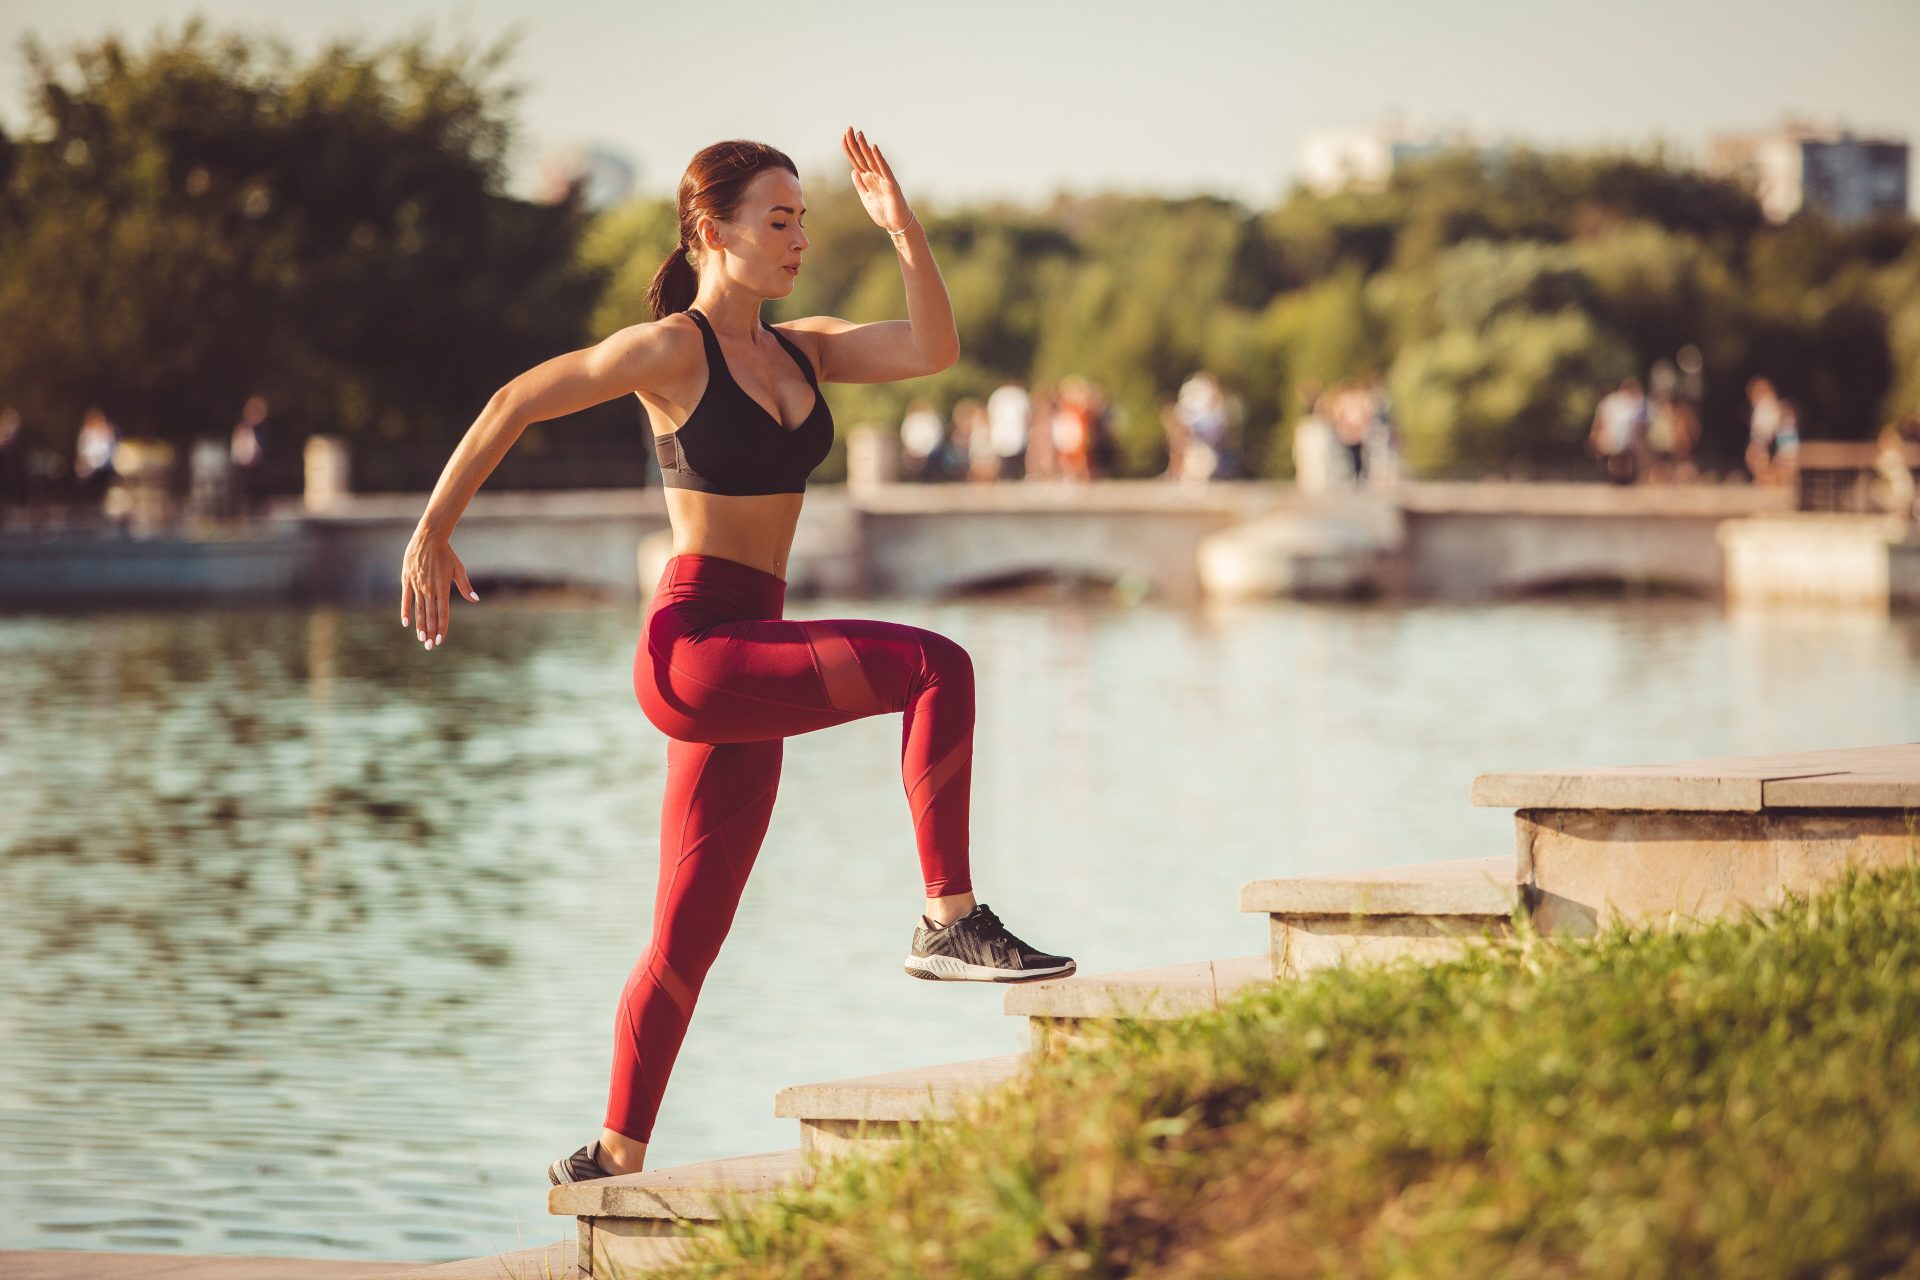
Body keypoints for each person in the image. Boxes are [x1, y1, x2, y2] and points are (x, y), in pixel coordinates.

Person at [396, 131, 1076, 1188]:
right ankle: (948, 915)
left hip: (753, 645)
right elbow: (515, 401)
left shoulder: (804, 348)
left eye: (805, 218)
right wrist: (432, 528)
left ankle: (609, 1155)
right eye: (778, 218)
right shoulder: (673, 350)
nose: (799, 237)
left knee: (688, 931)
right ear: (712, 231)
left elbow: (932, 347)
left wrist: (903, 232)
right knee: (937, 665)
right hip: (696, 646)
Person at [1589, 377, 1647, 485]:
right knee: (1617, 458)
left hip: (1626, 441)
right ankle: (1617, 478)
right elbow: (1600, 422)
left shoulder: (1636, 403)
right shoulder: (1613, 402)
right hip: (1614, 439)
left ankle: (1623, 478)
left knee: (1624, 460)